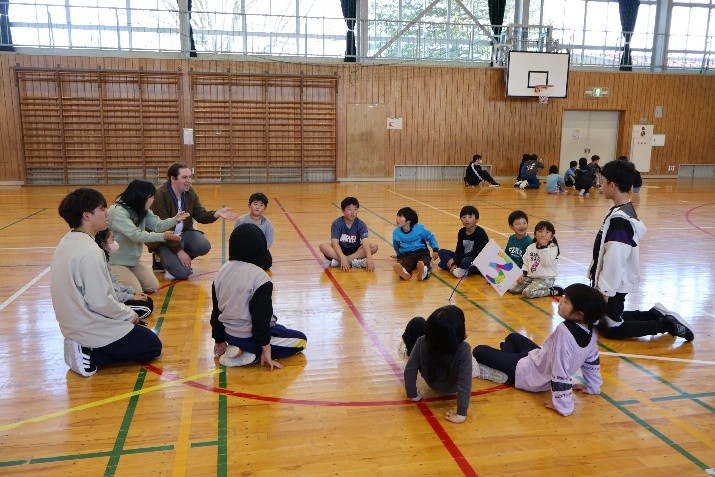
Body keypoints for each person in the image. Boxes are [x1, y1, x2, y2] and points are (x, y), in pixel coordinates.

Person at [51, 188, 162, 377]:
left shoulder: (67, 241)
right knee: (151, 345)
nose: (107, 213)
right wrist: (128, 315)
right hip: (87, 326)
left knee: (139, 328)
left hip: (74, 321)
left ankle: (84, 345)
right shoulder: (90, 252)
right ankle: (89, 352)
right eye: (101, 209)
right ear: (87, 216)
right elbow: (100, 301)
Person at [589, 160, 694, 341]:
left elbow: (615, 257)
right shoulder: (619, 210)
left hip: (614, 283)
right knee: (602, 321)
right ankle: (654, 314)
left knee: (611, 329)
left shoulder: (620, 219)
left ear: (612, 185)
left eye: (603, 181)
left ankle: (668, 325)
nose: (601, 185)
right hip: (611, 281)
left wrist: (605, 290)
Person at [472, 284, 605, 417]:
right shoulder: (591, 328)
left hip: (530, 374)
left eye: (565, 301)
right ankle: (505, 364)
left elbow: (560, 369)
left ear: (578, 314)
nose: (560, 301)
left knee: (479, 351)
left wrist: (562, 405)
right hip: (538, 359)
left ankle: (507, 373)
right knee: (513, 337)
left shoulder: (564, 331)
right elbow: (592, 361)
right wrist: (593, 386)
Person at [211, 223, 307, 368]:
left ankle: (237, 347)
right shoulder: (260, 278)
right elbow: (260, 319)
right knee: (301, 340)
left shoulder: (221, 271)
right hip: (250, 337)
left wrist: (219, 340)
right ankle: (251, 354)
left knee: (281, 328)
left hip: (228, 334)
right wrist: (266, 350)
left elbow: (216, 311)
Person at [149, 162, 238, 281]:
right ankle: (159, 257)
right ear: (173, 179)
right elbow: (163, 228)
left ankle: (173, 259)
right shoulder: (160, 195)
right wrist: (179, 251)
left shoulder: (189, 192)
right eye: (184, 177)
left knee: (203, 245)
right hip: (164, 239)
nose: (189, 181)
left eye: (190, 177)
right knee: (183, 273)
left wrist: (216, 213)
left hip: (183, 234)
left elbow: (200, 215)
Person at [107, 180, 189, 293]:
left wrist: (175, 220)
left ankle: (124, 278)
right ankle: (109, 277)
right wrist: (163, 236)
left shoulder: (141, 209)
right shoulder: (118, 212)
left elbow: (158, 225)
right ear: (142, 198)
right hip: (115, 262)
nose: (153, 200)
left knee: (152, 287)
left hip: (133, 261)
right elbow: (136, 235)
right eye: (152, 197)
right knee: (135, 291)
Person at [401, 305, 472, 424]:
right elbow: (465, 383)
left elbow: (409, 369)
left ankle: (408, 351)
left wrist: (412, 394)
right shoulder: (464, 348)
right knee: (470, 362)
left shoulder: (422, 341)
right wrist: (461, 413)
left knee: (417, 322)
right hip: (452, 387)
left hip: (432, 379)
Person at [95, 228, 154, 320]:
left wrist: (133, 292)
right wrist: (131, 297)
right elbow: (110, 294)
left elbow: (115, 284)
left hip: (115, 298)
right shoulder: (99, 263)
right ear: (103, 244)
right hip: (108, 302)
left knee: (147, 300)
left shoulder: (105, 259)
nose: (115, 243)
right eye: (112, 240)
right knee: (146, 308)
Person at [318, 196, 378, 271]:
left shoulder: (361, 224)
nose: (352, 212)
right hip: (339, 250)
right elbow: (335, 243)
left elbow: (365, 242)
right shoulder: (337, 223)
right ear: (343, 210)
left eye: (355, 209)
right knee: (323, 246)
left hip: (355, 251)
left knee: (374, 246)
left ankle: (340, 262)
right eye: (349, 209)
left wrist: (369, 258)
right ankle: (353, 262)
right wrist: (342, 257)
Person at [508, 220, 563, 298]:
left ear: (551, 236)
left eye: (547, 232)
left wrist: (543, 247)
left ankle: (551, 291)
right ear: (535, 234)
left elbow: (545, 263)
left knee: (528, 292)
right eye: (540, 231)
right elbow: (526, 262)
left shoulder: (553, 248)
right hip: (532, 277)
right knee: (512, 288)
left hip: (546, 278)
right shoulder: (531, 247)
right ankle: (534, 286)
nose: (543, 235)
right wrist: (522, 273)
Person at [437, 205, 489, 278]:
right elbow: (459, 250)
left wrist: (455, 260)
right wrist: (454, 262)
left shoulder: (480, 233)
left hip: (476, 259)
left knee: (465, 262)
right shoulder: (461, 232)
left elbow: (476, 253)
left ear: (476, 219)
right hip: (463, 257)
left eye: (470, 217)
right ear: (461, 219)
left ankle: (456, 268)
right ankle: (455, 267)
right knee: (442, 252)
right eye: (464, 217)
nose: (466, 220)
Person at [393, 207, 440, 281]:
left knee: (425, 261)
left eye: (400, 217)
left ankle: (424, 270)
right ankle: (405, 272)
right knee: (406, 263)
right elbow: (396, 245)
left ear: (408, 220)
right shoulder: (396, 232)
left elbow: (430, 237)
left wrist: (435, 249)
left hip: (422, 252)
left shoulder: (419, 228)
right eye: (397, 216)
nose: (397, 219)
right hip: (407, 254)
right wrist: (399, 255)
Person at [234, 192, 274, 270]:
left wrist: (258, 250)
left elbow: (269, 241)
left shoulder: (267, 224)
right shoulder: (241, 221)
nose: (258, 207)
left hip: (260, 250)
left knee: (267, 262)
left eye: (261, 205)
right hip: (244, 249)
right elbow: (235, 238)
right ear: (249, 206)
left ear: (265, 208)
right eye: (255, 204)